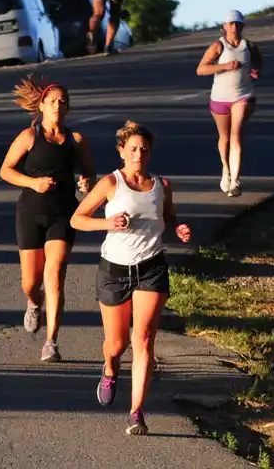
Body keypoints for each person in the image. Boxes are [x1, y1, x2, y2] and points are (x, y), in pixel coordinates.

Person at [70, 120, 192, 436]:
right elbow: (77, 219)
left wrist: (178, 227)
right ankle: (111, 368)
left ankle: (137, 412)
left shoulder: (162, 185)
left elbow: (169, 216)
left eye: (144, 149)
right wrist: (108, 223)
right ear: (121, 151)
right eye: (133, 148)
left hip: (151, 269)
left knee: (144, 339)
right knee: (117, 343)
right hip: (114, 271)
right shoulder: (111, 183)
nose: (139, 154)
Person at [0, 75, 96, 362]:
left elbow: (90, 173)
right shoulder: (30, 137)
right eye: (52, 101)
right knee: (30, 282)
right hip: (30, 213)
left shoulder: (76, 140)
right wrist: (33, 183)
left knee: (54, 276)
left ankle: (51, 342)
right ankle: (33, 301)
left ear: (68, 108)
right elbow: (6, 170)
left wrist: (87, 183)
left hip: (63, 214)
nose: (57, 105)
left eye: (62, 102)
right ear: (41, 106)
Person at [196, 10, 263, 197]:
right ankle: (226, 170)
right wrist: (224, 67)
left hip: (243, 95)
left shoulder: (249, 46)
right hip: (220, 98)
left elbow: (258, 62)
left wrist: (255, 71)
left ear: (242, 26)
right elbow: (201, 69)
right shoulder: (218, 46)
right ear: (224, 26)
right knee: (224, 137)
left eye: (238, 24)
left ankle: (235, 181)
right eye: (231, 24)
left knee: (236, 135)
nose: (234, 27)